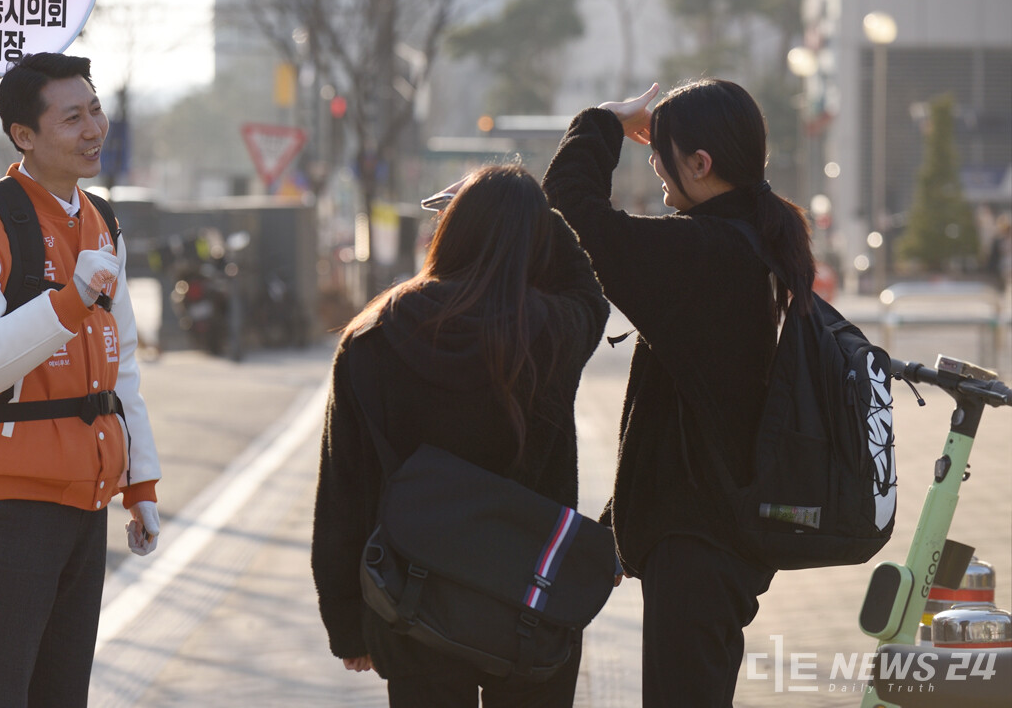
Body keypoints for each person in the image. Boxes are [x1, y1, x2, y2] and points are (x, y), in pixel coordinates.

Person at [542, 78, 815, 708]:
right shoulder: (747, 242)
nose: (654, 166)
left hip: (700, 547)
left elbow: (571, 213)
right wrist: (622, 518)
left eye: (661, 154)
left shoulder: (707, 250)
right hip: (713, 538)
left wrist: (603, 122)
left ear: (700, 163)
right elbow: (695, 400)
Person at [312, 163, 610, 708]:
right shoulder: (550, 333)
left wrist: (346, 624)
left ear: (447, 231)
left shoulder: (372, 337)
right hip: (533, 605)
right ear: (537, 243)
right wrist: (535, 210)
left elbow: (343, 491)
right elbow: (588, 289)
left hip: (412, 603)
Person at [0, 52, 163, 708]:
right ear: (23, 135)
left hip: (86, 495)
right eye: (72, 117)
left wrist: (140, 482)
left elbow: (122, 362)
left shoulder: (101, 221)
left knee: (61, 693)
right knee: (1, 690)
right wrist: (69, 300)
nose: (94, 129)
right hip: (7, 500)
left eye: (96, 110)